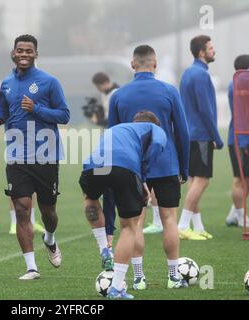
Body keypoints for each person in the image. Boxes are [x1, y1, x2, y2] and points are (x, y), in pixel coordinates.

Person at [0, 34, 70, 280]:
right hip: (16, 155)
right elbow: (2, 109)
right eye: (20, 51)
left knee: (49, 213)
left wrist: (37, 109)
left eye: (29, 51)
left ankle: (50, 238)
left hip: (45, 154)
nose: (24, 54)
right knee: (22, 209)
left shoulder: (49, 82)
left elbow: (64, 115)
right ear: (13, 53)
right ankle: (31, 267)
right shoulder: (6, 83)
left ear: (36, 54)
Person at [109, 45, 190, 290]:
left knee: (135, 224)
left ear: (133, 65)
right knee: (169, 219)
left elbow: (113, 136)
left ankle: (138, 278)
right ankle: (174, 277)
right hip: (166, 164)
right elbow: (183, 133)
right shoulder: (169, 91)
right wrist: (184, 168)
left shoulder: (118, 95)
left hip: (132, 168)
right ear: (155, 64)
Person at [79, 111, 168, 299]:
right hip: (125, 168)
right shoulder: (156, 129)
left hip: (93, 165)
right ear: (155, 124)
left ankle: (104, 247)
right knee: (129, 227)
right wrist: (143, 180)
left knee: (90, 197)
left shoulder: (115, 128)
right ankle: (117, 287)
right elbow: (158, 144)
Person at [178, 35, 224, 241]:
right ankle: (182, 225)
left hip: (190, 134)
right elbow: (205, 110)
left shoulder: (188, 73)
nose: (214, 51)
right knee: (202, 180)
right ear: (201, 52)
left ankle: (197, 226)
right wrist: (216, 136)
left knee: (195, 180)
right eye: (211, 48)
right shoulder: (201, 75)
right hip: (201, 135)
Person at [225, 54, 249, 228]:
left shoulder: (240, 82)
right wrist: (244, 141)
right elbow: (240, 115)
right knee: (240, 180)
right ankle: (241, 218)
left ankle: (233, 215)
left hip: (246, 137)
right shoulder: (239, 82)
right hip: (239, 138)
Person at [91, 72, 120, 250]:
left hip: (116, 139)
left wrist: (99, 120)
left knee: (111, 181)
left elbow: (114, 118)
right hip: (107, 139)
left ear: (101, 84)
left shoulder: (116, 93)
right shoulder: (104, 94)